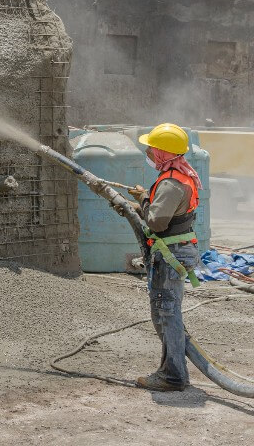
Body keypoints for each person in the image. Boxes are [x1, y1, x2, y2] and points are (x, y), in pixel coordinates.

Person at [127, 123, 201, 392]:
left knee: (166, 314)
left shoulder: (171, 182)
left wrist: (144, 202)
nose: (148, 152)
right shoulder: (180, 176)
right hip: (177, 251)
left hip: (171, 255)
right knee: (167, 313)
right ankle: (170, 370)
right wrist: (145, 198)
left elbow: (157, 222)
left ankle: (173, 376)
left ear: (162, 153)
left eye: (151, 148)